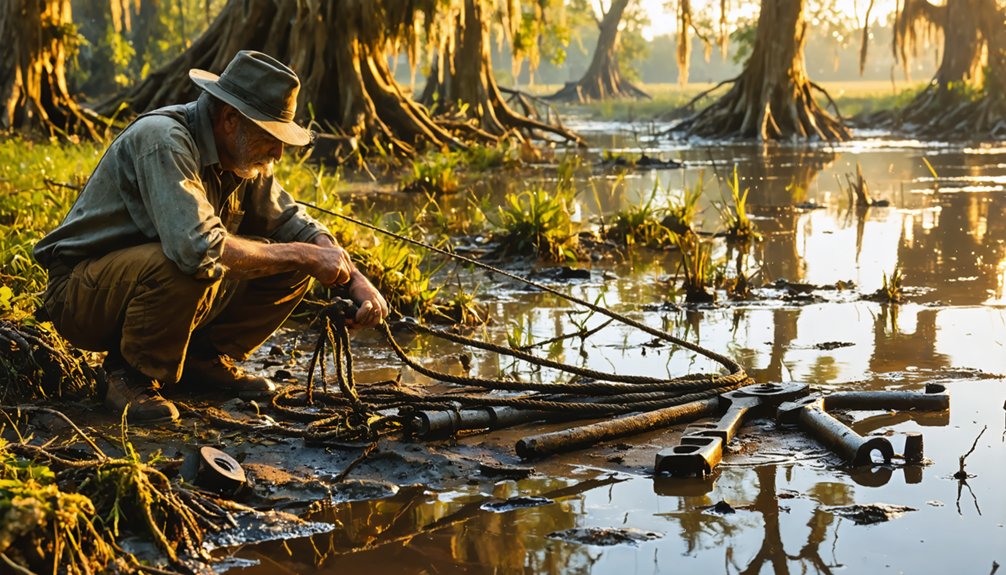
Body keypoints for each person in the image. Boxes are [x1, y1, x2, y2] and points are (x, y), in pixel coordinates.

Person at [34, 50, 389, 424]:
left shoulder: (242, 156)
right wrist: (304, 255)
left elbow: (293, 222)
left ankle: (202, 358)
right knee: (187, 263)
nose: (279, 153)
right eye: (272, 137)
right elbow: (197, 248)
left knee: (295, 260)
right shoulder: (165, 140)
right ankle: (129, 374)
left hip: (140, 285)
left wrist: (355, 280)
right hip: (79, 296)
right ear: (231, 119)